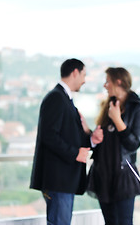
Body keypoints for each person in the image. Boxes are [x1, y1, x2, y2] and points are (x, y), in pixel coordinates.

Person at [30, 58, 103, 225]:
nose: (84, 80)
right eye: (84, 75)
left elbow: (68, 136)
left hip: (63, 179)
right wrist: (75, 153)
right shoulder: (56, 98)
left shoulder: (64, 99)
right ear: (75, 72)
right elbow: (49, 135)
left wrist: (91, 139)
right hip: (58, 179)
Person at [86, 67, 140, 225]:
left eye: (108, 81)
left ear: (118, 82)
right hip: (102, 175)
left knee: (124, 222)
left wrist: (118, 121)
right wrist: (90, 134)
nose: (105, 86)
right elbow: (103, 143)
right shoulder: (109, 105)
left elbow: (133, 144)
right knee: (110, 222)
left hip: (123, 178)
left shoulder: (137, 107)